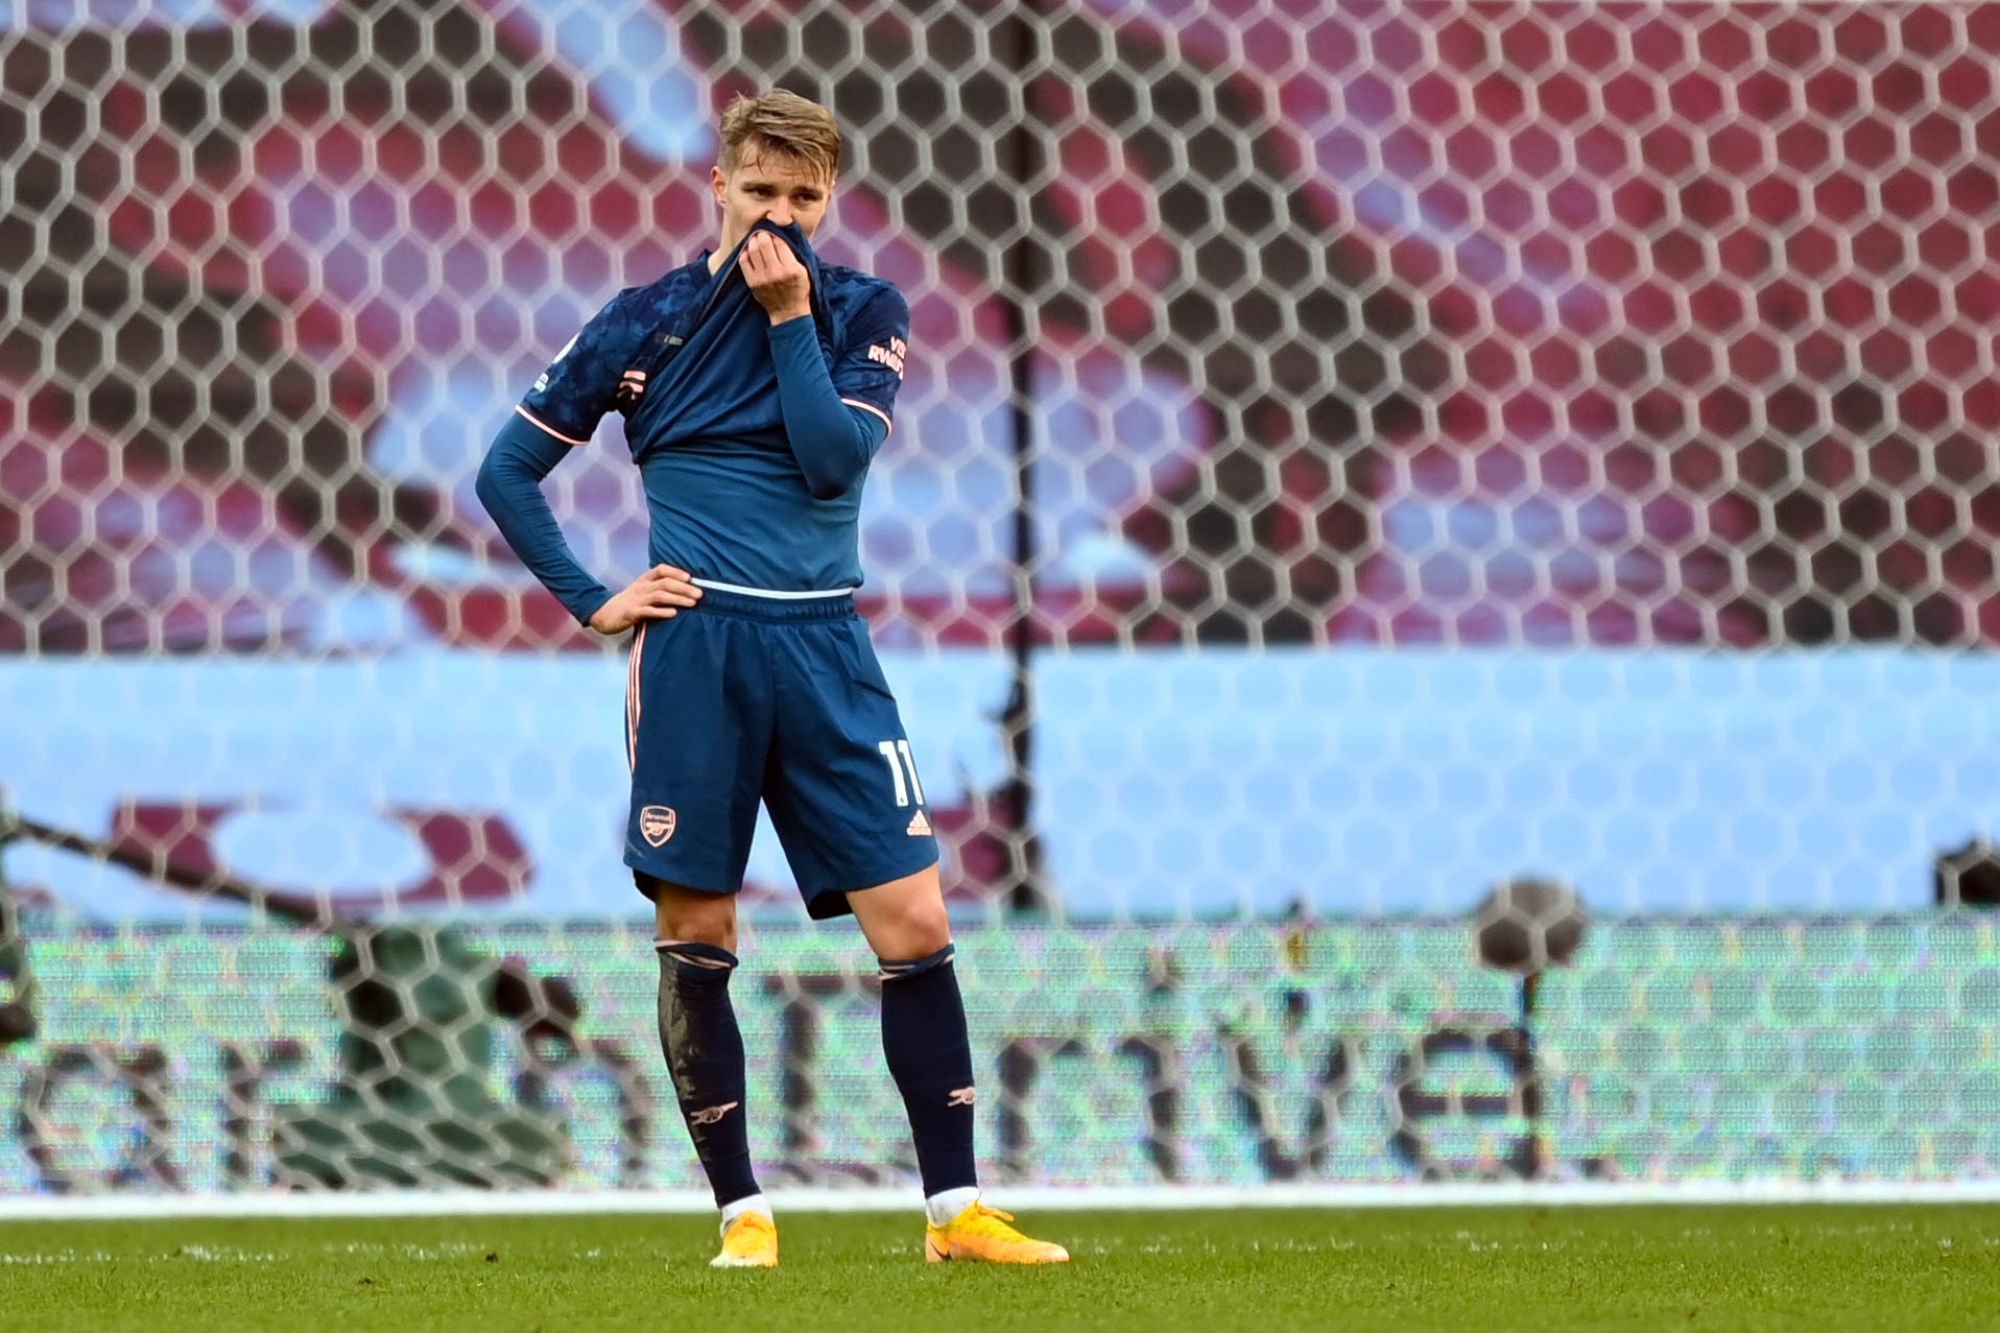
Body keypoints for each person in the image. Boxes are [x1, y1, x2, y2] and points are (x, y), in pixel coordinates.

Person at [475, 90, 1067, 1268]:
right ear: (719, 185)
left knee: (916, 920)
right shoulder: (643, 322)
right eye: (760, 191)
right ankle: (742, 1214)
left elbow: (832, 457)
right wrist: (593, 598)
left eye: (803, 196)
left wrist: (790, 317)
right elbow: (506, 473)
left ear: (829, 198)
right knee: (699, 925)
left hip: (824, 648)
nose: (779, 216)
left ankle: (955, 1213)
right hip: (697, 650)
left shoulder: (859, 309)